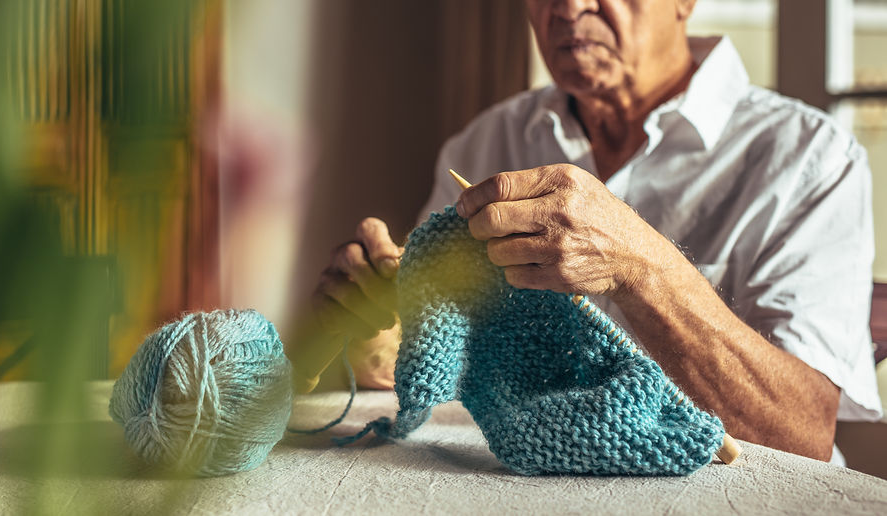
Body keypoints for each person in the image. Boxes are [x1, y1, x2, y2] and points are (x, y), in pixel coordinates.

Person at [289, 0, 882, 464]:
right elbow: (443, 358)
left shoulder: (810, 158)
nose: (567, 10)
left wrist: (644, 268)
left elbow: (803, 433)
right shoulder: (487, 141)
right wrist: (386, 332)